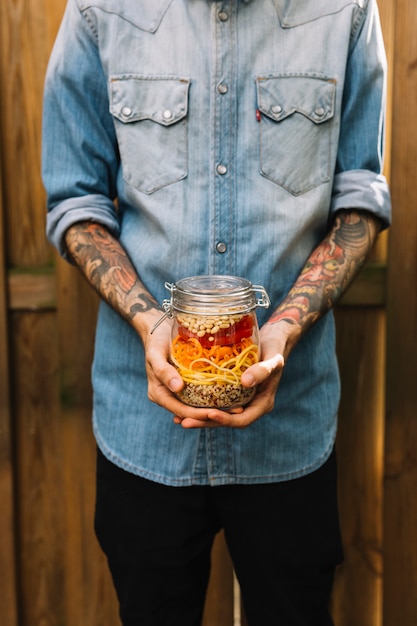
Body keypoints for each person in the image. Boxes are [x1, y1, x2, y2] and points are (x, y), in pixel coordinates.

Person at [42, 0, 391, 624]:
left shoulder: (348, 11)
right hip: (141, 431)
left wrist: (283, 327)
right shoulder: (99, 11)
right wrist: (152, 321)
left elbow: (358, 200)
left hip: (292, 427)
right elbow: (76, 200)